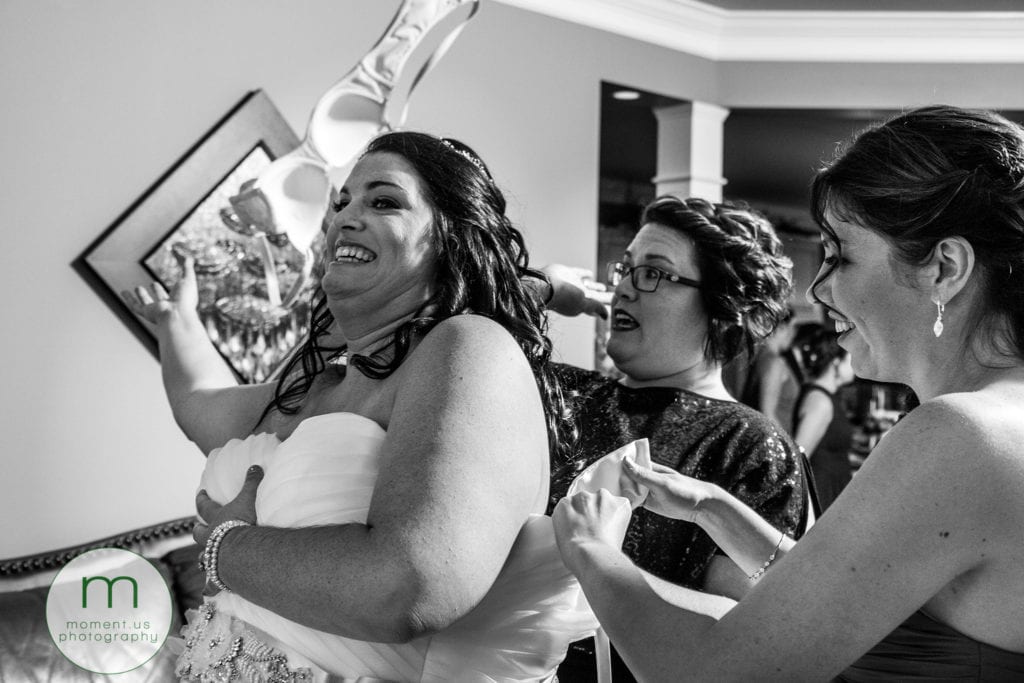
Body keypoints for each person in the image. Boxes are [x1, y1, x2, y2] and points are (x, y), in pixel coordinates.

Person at [552, 105, 1024, 681]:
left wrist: (591, 550)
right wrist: (713, 508)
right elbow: (836, 605)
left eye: (840, 255)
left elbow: (718, 674)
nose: (818, 290)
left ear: (945, 267)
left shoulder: (960, 435)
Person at [123, 131, 597, 681]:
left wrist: (226, 550)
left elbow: (409, 588)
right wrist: (175, 323)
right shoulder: (317, 388)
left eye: (384, 201)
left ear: (450, 237)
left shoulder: (468, 348)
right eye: (342, 202)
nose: (345, 218)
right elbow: (197, 404)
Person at [540, 197, 812, 681]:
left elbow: (736, 632)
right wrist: (541, 288)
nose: (624, 287)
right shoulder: (561, 393)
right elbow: (436, 334)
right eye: (626, 268)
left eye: (653, 273)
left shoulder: (748, 444)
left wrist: (594, 565)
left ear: (720, 309)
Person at [791, 323, 856, 510]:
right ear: (836, 362)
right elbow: (799, 458)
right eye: (849, 359)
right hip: (822, 492)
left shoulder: (827, 396)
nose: (854, 365)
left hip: (832, 488)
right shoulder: (820, 401)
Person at [730, 305, 804, 432]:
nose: (794, 334)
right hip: (774, 436)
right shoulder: (773, 362)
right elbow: (767, 413)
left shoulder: (755, 356)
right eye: (794, 327)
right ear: (781, 327)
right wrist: (786, 442)